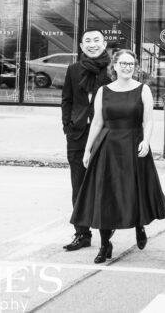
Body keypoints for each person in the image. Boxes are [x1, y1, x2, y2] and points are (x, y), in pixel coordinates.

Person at [70, 48, 165, 264]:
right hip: (107, 147)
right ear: (114, 66)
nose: (127, 67)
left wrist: (146, 140)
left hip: (133, 144)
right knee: (105, 195)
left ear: (135, 67)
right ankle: (105, 244)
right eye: (123, 63)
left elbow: (149, 120)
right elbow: (97, 122)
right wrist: (87, 150)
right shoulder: (103, 91)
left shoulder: (143, 90)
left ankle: (139, 226)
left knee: (133, 191)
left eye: (130, 64)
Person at [60, 29, 113, 252]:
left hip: (106, 135)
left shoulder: (113, 69)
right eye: (87, 41)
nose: (92, 44)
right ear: (81, 46)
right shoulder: (73, 70)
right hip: (78, 134)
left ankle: (107, 232)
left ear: (105, 43)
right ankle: (82, 233)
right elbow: (67, 100)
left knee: (106, 185)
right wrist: (68, 126)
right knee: (78, 186)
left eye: (96, 40)